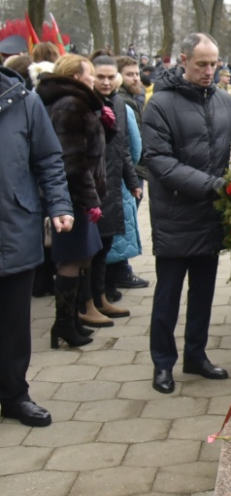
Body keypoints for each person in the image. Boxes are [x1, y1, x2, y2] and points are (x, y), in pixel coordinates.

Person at [142, 33, 231, 394]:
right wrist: (213, 185)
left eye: (214, 64)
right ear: (184, 60)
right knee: (167, 296)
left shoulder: (223, 100)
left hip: (211, 217)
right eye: (202, 64)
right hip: (176, 215)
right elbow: (160, 163)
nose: (210, 71)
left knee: (203, 294)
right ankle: (162, 364)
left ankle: (196, 356)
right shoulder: (160, 105)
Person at [0, 65, 74, 426]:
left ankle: (14, 395)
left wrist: (59, 205)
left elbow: (47, 158)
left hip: (13, 225)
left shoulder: (24, 102)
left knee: (14, 323)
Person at [35, 55, 112, 348]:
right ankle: (64, 324)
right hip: (74, 196)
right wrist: (89, 198)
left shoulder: (80, 101)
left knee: (84, 254)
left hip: (83, 194)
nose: (94, 79)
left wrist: (107, 123)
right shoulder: (70, 103)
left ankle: (72, 319)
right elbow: (72, 159)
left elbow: (95, 145)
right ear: (77, 77)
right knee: (71, 257)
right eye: (90, 74)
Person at [86, 55, 142, 323]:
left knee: (104, 244)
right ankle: (84, 305)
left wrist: (132, 182)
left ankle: (99, 299)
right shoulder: (83, 103)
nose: (106, 82)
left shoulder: (118, 103)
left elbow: (122, 150)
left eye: (110, 77)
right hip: (88, 188)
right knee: (88, 250)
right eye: (100, 77)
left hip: (110, 186)